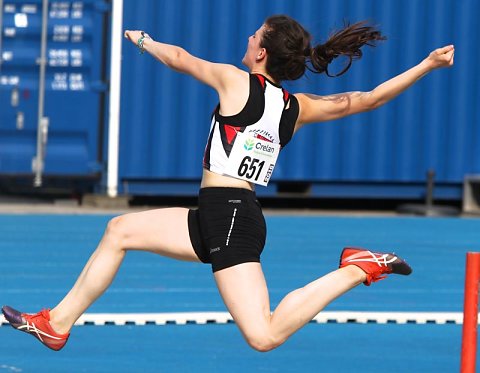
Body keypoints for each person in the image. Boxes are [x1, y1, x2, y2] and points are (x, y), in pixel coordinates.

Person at [2, 14, 453, 352]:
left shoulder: (236, 82)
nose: (248, 37)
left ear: (262, 53)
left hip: (231, 218)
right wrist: (426, 65)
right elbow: (368, 99)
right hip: (222, 214)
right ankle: (57, 323)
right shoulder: (298, 107)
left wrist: (145, 41)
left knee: (264, 334)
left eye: (255, 34)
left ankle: (358, 266)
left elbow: (180, 59)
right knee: (119, 230)